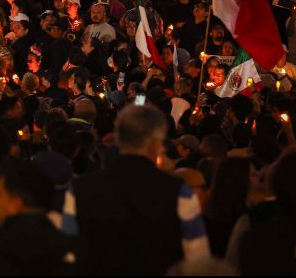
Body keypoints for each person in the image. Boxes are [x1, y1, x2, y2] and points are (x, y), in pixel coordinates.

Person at [61, 104, 210, 275]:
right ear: (154, 144)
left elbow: (68, 254)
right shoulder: (179, 192)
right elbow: (198, 260)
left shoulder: (79, 189)